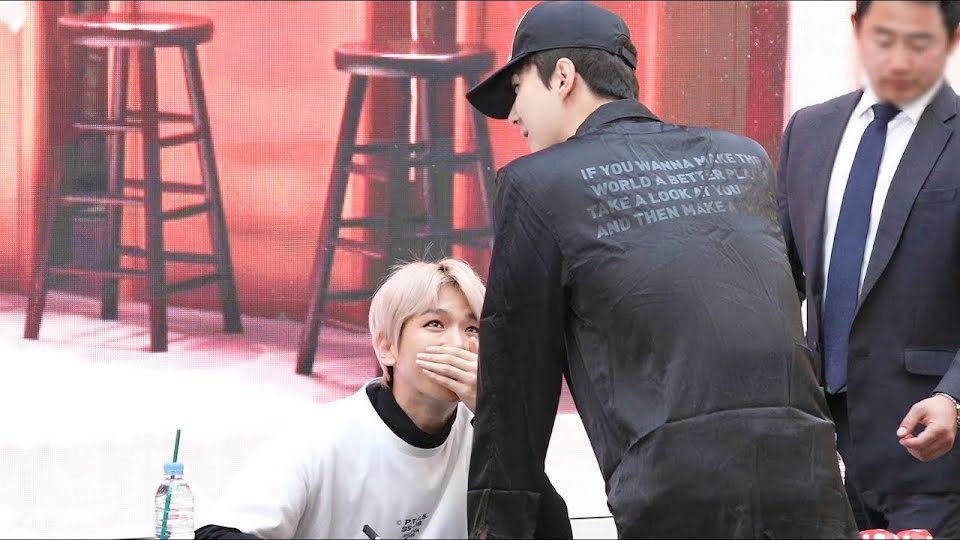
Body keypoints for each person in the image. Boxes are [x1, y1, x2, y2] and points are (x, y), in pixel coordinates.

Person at [463, 1, 858, 538]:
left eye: (517, 89)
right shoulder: (744, 158)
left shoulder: (535, 184)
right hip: (811, 483)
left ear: (563, 77)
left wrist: (496, 529)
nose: (512, 115)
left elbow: (514, 390)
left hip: (679, 499)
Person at [777, 0, 960, 535]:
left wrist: (954, 397)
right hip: (819, 457)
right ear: (857, 29)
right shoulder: (808, 131)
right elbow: (779, 275)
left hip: (934, 458)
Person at [195, 259, 484, 539]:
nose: (459, 344)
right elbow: (215, 533)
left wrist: (491, 411)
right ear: (387, 346)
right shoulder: (325, 437)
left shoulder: (489, 435)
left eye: (472, 329)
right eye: (435, 324)